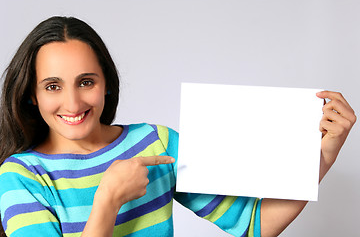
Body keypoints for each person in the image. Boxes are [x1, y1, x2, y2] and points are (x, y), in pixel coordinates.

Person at [0, 16, 356, 237]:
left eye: (86, 82)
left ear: (106, 82)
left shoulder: (155, 144)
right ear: (32, 95)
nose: (73, 103)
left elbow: (254, 225)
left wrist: (324, 153)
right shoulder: (20, 176)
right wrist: (108, 199)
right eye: (52, 86)